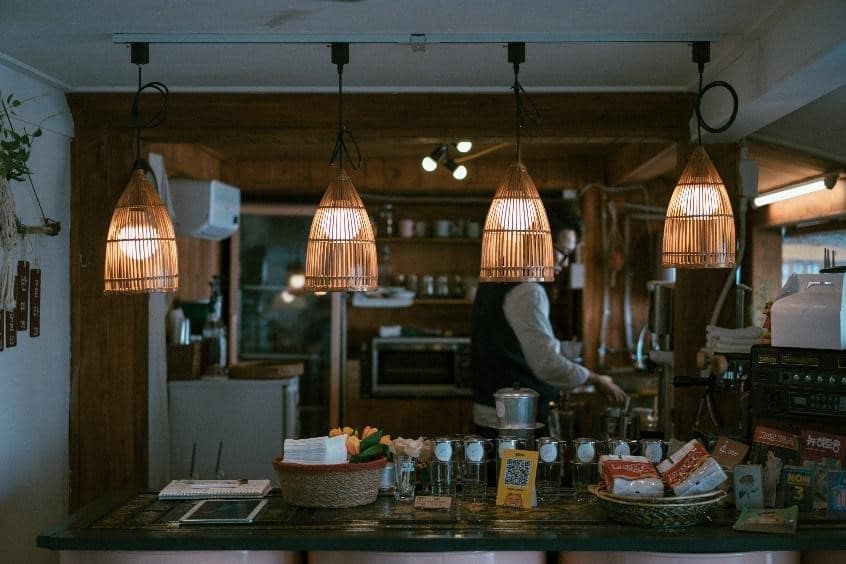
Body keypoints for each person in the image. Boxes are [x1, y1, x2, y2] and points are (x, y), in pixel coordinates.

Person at [471, 213, 628, 432]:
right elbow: (547, 363)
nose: (563, 263)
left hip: (494, 412)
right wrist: (595, 379)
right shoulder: (528, 290)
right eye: (562, 252)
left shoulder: (497, 278)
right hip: (515, 419)